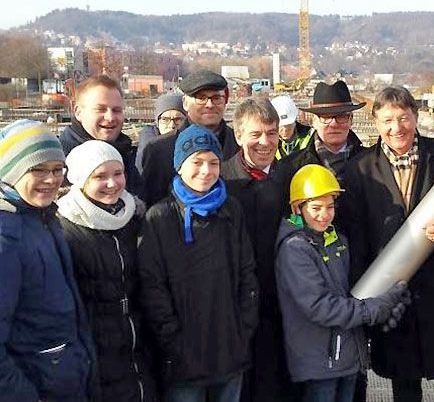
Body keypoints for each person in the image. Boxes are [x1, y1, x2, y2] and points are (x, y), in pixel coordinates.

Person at [343, 86, 434, 402]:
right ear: (375, 122)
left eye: (403, 118)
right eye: (387, 120)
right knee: (405, 387)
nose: (396, 128)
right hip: (394, 297)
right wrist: (365, 297)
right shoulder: (360, 168)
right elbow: (358, 235)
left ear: (416, 116)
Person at [138, 124, 258, 402]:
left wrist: (244, 328)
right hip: (184, 357)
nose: (206, 170)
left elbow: (247, 272)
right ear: (179, 165)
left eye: (213, 163)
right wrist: (174, 342)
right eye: (197, 162)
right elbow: (153, 288)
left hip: (230, 348)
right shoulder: (160, 218)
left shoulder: (231, 210)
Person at [275, 164, 410, 402]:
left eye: (330, 206)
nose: (325, 214)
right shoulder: (295, 249)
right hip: (320, 361)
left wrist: (387, 294)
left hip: (345, 354)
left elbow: (353, 289)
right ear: (297, 207)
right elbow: (320, 307)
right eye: (316, 208)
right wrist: (374, 309)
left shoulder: (337, 241)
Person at [0, 119, 95, 401]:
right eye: (37, 170)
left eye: (57, 170)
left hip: (62, 377)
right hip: (40, 384)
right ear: (11, 172)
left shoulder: (43, 218)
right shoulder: (7, 238)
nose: (51, 179)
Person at [57, 140, 157, 402]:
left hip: (141, 347)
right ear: (80, 180)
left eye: (118, 173)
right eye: (100, 176)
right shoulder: (65, 229)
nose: (112, 183)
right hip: (97, 352)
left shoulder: (137, 218)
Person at [221, 98, 293, 402]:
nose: (265, 142)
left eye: (272, 133)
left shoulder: (291, 177)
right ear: (238, 136)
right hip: (234, 302)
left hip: (282, 298)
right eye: (255, 134)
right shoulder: (221, 180)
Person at [141, 69, 239, 206]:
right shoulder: (159, 150)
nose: (209, 105)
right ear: (185, 103)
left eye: (216, 98)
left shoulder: (240, 145)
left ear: (225, 101)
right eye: (201, 98)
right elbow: (152, 204)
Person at [274, 81, 366, 208]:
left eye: (341, 116)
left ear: (351, 120)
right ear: (314, 121)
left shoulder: (372, 164)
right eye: (326, 117)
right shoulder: (290, 167)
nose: (333, 124)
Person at [59, 74, 144, 197]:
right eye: (100, 109)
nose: (110, 118)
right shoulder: (58, 163)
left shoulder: (129, 156)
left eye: (116, 110)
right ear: (77, 111)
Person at [136, 91, 186, 173]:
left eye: (178, 119)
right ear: (157, 122)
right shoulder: (148, 147)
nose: (172, 125)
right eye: (165, 119)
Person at [270, 95, 312, 160]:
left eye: (288, 125)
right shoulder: (269, 141)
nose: (285, 130)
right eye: (281, 126)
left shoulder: (309, 136)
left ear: (294, 123)